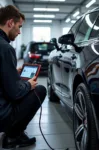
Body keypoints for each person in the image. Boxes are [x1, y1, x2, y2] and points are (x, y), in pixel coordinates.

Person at [0, 5, 47, 149]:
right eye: (19, 27)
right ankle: (13, 136)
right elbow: (15, 93)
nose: (19, 32)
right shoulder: (5, 48)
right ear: (10, 23)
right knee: (39, 90)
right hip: (1, 115)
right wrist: (28, 85)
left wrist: (13, 72)